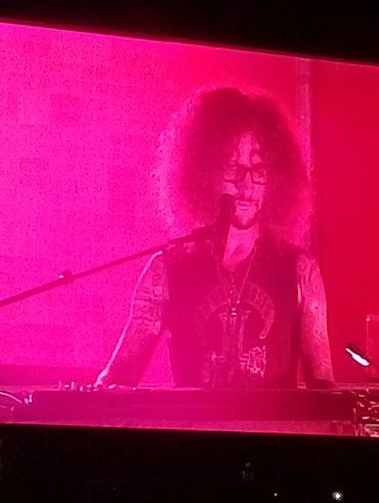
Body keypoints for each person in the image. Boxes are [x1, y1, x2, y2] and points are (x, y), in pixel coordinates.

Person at [95, 86, 334, 390]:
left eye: (259, 170)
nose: (246, 184)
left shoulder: (300, 270)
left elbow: (326, 395)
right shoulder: (166, 269)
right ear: (205, 172)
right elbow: (115, 382)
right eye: (233, 168)